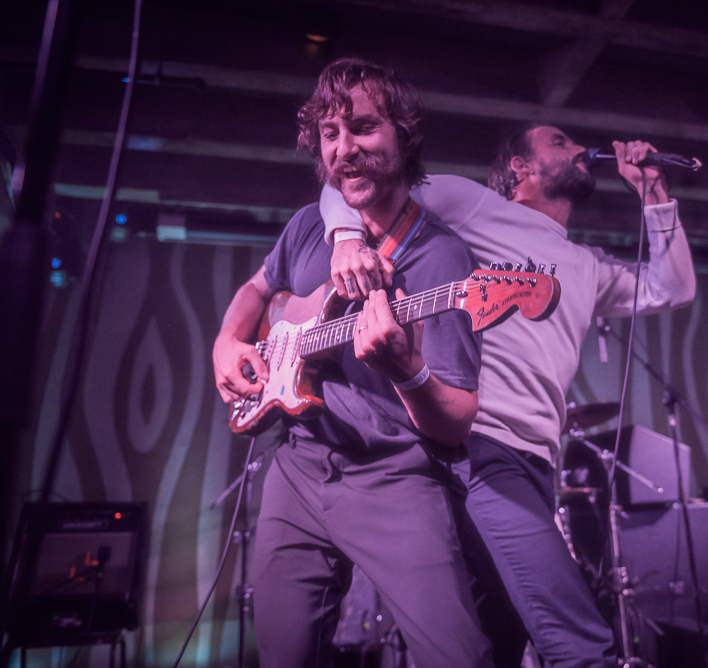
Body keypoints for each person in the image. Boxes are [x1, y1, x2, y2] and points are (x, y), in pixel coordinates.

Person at [321, 124, 696, 667]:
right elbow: (349, 185)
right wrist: (348, 240)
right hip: (477, 446)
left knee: (496, 642)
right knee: (579, 639)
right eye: (561, 142)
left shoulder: (587, 265)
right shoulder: (473, 205)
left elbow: (674, 287)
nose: (578, 148)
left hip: (538, 462)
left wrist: (653, 194)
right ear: (520, 169)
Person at [211, 58, 493, 668]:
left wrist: (407, 374)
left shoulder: (443, 260)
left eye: (363, 128)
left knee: (458, 657)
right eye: (330, 135)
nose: (344, 149)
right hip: (298, 465)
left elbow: (457, 422)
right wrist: (226, 341)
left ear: (404, 134)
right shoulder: (311, 225)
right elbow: (259, 290)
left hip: (394, 477)